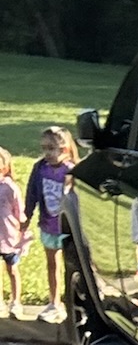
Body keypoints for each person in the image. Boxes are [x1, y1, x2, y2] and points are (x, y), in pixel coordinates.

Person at [21, 124, 75, 323]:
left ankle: (73, 303)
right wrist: (26, 217)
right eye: (44, 148)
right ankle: (54, 303)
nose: (47, 153)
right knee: (52, 265)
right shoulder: (40, 168)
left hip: (68, 229)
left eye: (51, 148)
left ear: (64, 149)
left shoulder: (71, 171)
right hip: (48, 225)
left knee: (72, 267)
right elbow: (32, 193)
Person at [0, 148, 23, 319]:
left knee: (13, 269)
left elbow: (19, 211)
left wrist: (21, 231)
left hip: (9, 236)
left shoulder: (10, 187)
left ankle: (16, 302)